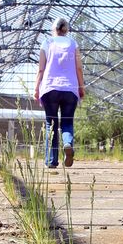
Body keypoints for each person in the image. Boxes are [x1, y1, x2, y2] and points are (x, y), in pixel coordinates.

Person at [34, 16, 85, 168]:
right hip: (70, 89)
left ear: (53, 29)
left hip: (50, 88)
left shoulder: (47, 43)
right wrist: (81, 88)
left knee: (51, 124)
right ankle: (68, 143)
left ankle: (51, 161)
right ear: (66, 29)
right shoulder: (73, 44)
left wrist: (36, 88)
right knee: (67, 121)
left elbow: (41, 69)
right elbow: (79, 68)